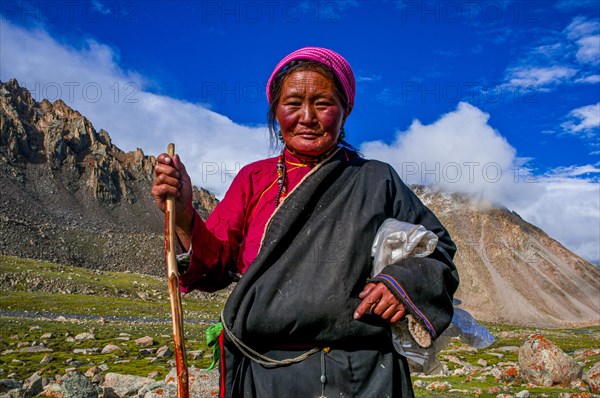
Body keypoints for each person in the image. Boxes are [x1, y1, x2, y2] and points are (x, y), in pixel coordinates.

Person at [152, 46, 459, 398]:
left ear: (346, 109)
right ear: (276, 112)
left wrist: (400, 284)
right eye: (293, 104)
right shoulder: (255, 179)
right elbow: (214, 267)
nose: (307, 117)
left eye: (324, 103)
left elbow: (438, 248)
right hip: (264, 374)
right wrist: (185, 212)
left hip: (363, 373)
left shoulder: (377, 180)